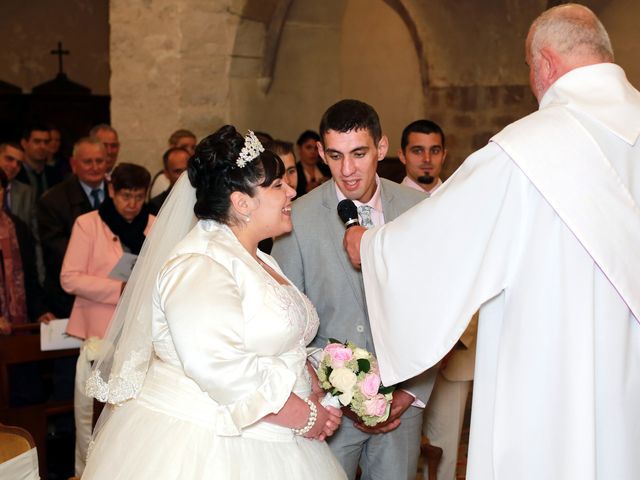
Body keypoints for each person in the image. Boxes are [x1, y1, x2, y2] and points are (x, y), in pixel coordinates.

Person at [344, 4, 640, 479]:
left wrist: (372, 246)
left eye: (528, 68)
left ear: (544, 63)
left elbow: (442, 242)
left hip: (551, 380)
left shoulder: (526, 150)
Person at [82, 126, 346, 479]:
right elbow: (220, 366)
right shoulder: (200, 264)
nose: (291, 192)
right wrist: (306, 416)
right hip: (210, 444)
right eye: (277, 186)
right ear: (241, 202)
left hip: (276, 432)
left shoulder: (260, 259)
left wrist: (316, 380)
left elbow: (279, 338)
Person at [272, 100, 437, 480]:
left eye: (359, 154)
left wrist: (411, 394)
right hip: (329, 411)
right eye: (335, 155)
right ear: (320, 153)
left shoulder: (420, 209)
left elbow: (438, 309)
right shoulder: (296, 218)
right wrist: (345, 396)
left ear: (381, 148)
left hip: (404, 403)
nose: (347, 170)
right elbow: (288, 322)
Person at [60, 163, 155, 476]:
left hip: (142, 332)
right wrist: (120, 289)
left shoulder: (154, 224)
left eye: (139, 197)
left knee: (133, 413)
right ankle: (88, 470)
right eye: (125, 195)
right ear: (111, 191)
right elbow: (69, 278)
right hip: (98, 332)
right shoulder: (88, 224)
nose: (132, 204)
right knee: (92, 412)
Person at [37, 138, 108, 318]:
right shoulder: (52, 200)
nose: (95, 167)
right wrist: (102, 263)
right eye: (87, 162)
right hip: (70, 298)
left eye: (99, 161)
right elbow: (56, 248)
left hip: (114, 294)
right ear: (73, 164)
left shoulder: (119, 193)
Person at [398, 119, 447, 196]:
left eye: (435, 151)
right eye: (418, 151)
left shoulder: (461, 201)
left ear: (443, 156)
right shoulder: (385, 204)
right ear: (402, 156)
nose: (427, 159)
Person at [16, 124, 63, 197]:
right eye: (37, 141)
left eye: (46, 142)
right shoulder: (15, 172)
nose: (43, 146)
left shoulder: (56, 174)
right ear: (24, 143)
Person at [149, 129, 197, 199]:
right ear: (172, 147)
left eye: (193, 147)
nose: (190, 151)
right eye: (183, 147)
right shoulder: (162, 179)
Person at [147, 147, 190, 214]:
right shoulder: (157, 205)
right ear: (167, 174)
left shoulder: (204, 198)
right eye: (178, 171)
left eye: (188, 169)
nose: (185, 175)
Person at [295, 130, 331, 197]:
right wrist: (305, 192)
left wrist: (330, 183)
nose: (313, 152)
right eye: (308, 147)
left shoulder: (327, 168)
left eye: (316, 148)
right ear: (299, 148)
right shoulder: (294, 171)